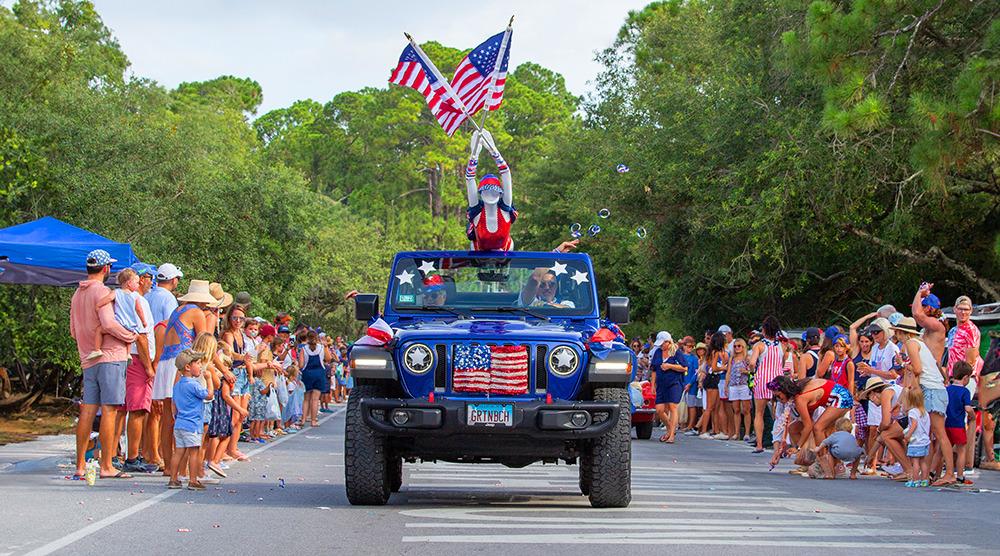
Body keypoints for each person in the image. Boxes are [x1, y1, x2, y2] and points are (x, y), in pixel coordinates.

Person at [69, 249, 137, 480]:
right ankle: (106, 465)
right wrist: (130, 336)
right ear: (106, 268)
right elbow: (108, 323)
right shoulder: (103, 291)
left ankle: (80, 465)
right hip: (110, 356)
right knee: (109, 409)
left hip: (88, 357)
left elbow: (72, 331)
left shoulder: (77, 294)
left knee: (88, 409)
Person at [152, 279, 217, 476]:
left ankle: (168, 465)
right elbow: (204, 343)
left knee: (167, 418)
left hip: (165, 361)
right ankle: (183, 468)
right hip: (181, 364)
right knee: (184, 415)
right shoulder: (197, 313)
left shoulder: (177, 311)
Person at [894, 316, 955, 485]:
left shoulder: (911, 344)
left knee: (938, 432)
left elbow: (918, 369)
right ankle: (925, 474)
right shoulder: (917, 343)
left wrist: (904, 365)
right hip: (932, 389)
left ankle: (949, 473)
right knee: (928, 434)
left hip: (932, 389)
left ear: (901, 332)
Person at [768, 375, 853, 472]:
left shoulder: (799, 399)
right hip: (833, 399)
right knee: (794, 428)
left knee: (818, 428)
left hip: (842, 397)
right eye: (775, 396)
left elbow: (808, 426)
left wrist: (797, 447)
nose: (778, 399)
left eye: (778, 396)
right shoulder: (794, 395)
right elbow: (782, 425)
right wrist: (777, 452)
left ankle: (824, 465)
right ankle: (815, 461)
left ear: (785, 390)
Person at [122, 264, 158, 474]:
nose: (151, 281)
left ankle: (133, 453)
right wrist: (148, 366)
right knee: (137, 408)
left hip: (136, 358)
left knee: (136, 409)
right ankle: (132, 456)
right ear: (141, 279)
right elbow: (142, 336)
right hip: (139, 359)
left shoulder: (136, 300)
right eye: (149, 277)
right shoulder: (139, 301)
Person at [465, 129, 516, 251]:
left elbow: (506, 173)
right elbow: (469, 178)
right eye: (486, 191)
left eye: (494, 191)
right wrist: (474, 155)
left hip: (505, 254)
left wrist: (494, 151)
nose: (490, 194)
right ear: (481, 194)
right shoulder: (477, 213)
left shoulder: (504, 210)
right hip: (479, 255)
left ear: (500, 193)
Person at [167, 349, 209, 490]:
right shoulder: (193, 384)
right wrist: (209, 380)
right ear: (188, 367)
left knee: (178, 451)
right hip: (192, 424)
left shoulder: (177, 385)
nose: (201, 366)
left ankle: (173, 479)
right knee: (194, 452)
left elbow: (174, 405)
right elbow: (208, 395)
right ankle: (193, 480)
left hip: (180, 423)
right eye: (197, 363)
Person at [87, 268, 147, 361]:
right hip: (131, 323)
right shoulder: (135, 296)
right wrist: (143, 321)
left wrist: (98, 305)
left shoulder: (117, 292)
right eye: (137, 283)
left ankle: (97, 349)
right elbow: (139, 310)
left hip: (119, 321)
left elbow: (108, 299)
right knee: (128, 339)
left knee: (99, 330)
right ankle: (128, 354)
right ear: (129, 283)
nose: (138, 285)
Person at [749, 316, 784, 453]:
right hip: (778, 380)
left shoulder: (759, 345)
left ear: (763, 330)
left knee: (759, 413)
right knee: (779, 413)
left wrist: (753, 372)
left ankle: (759, 444)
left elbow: (752, 363)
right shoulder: (781, 345)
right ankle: (779, 442)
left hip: (762, 380)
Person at [650, 332, 685, 443]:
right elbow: (654, 370)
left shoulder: (676, 353)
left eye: (663, 343)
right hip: (661, 384)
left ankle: (671, 435)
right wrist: (652, 385)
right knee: (659, 410)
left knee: (672, 406)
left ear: (668, 342)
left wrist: (670, 366)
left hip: (674, 383)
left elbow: (684, 368)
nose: (661, 346)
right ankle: (670, 428)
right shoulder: (657, 353)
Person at [946, 361, 975, 484]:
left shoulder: (947, 389)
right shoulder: (965, 391)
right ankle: (960, 475)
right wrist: (972, 416)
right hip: (958, 424)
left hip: (946, 423)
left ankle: (934, 472)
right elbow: (968, 408)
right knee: (961, 451)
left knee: (943, 449)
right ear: (965, 377)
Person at [697, 332, 729, 439]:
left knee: (714, 407)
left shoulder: (711, 352)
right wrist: (723, 368)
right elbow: (714, 368)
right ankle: (704, 431)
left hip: (711, 379)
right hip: (712, 379)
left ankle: (716, 430)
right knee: (710, 407)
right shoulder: (715, 352)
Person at [299, 331, 331, 427]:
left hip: (307, 374)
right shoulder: (321, 348)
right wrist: (326, 347)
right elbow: (328, 359)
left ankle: (303, 420)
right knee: (315, 399)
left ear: (307, 338)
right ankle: (313, 421)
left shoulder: (303, 349)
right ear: (317, 338)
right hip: (319, 374)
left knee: (306, 399)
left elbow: (301, 365)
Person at [903, 387, 931, 487]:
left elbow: (914, 424)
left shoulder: (913, 412)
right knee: (923, 461)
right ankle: (924, 480)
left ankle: (915, 480)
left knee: (915, 462)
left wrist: (908, 435)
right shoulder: (924, 412)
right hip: (924, 440)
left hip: (916, 441)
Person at [912, 283, 946, 363]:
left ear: (928, 307)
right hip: (928, 370)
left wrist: (920, 292)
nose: (920, 309)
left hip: (932, 371)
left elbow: (916, 314)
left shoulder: (937, 324)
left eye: (921, 306)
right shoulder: (928, 326)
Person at [726, 338, 753, 441]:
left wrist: (746, 371)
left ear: (743, 347)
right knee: (736, 409)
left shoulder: (747, 358)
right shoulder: (732, 359)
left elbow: (752, 371)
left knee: (746, 409)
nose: (737, 348)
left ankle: (746, 433)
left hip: (744, 385)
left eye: (739, 346)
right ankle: (737, 433)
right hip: (733, 385)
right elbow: (728, 372)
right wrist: (726, 386)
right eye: (735, 346)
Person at [683, 342, 706, 435]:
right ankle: (689, 424)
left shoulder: (696, 360)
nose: (700, 351)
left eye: (702, 349)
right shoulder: (699, 360)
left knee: (694, 406)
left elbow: (696, 374)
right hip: (687, 383)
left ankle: (693, 425)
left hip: (694, 385)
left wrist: (690, 383)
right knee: (689, 405)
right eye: (698, 349)